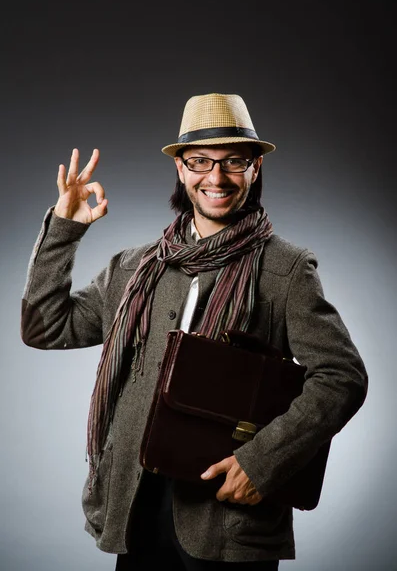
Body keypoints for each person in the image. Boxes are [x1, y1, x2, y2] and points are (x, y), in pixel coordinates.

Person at [21, 93, 368, 569]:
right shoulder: (134, 266)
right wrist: (64, 228)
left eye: (233, 163)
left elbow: (342, 377)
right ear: (182, 171)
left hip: (227, 515)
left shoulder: (286, 270)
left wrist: (260, 463)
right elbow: (44, 326)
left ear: (254, 170)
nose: (217, 177)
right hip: (135, 508)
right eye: (200, 161)